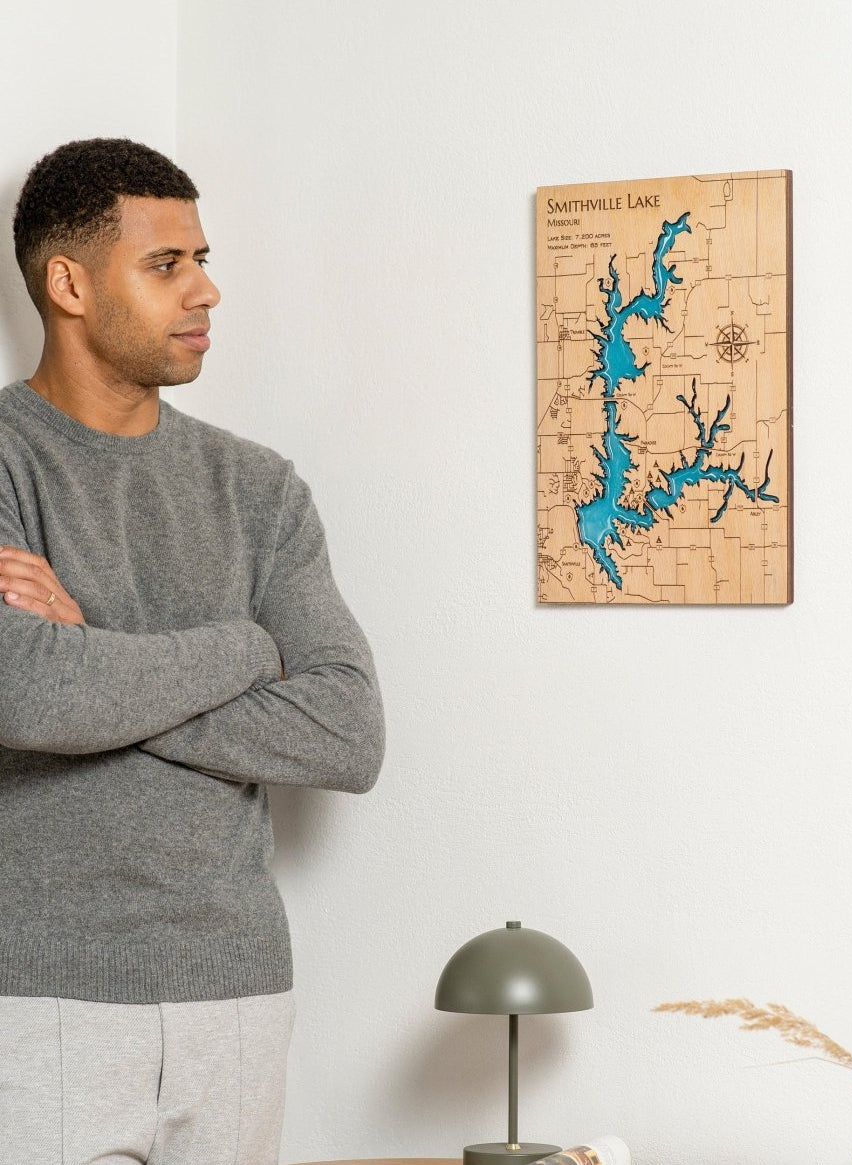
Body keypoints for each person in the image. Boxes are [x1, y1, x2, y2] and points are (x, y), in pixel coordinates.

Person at [0, 138, 385, 1165]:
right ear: (68, 283)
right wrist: (251, 645)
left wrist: (101, 653)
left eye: (201, 258)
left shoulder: (257, 489)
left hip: (239, 991)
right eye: (166, 264)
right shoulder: (4, 459)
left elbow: (345, 731)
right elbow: (29, 693)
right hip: (38, 995)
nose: (205, 290)